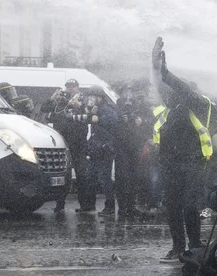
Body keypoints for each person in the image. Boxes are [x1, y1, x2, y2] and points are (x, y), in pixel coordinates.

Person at [152, 37, 217, 261]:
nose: (169, 96)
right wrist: (155, 66)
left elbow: (176, 86)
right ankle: (178, 247)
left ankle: (195, 245)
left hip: (192, 163)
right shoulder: (171, 110)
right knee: (172, 207)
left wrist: (166, 72)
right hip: (170, 164)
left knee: (190, 206)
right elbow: (161, 86)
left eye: (175, 92)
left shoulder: (199, 103)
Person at [42, 79, 96, 213]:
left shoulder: (84, 100)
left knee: (82, 174)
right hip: (62, 142)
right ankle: (60, 204)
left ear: (78, 88)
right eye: (68, 87)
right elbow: (44, 109)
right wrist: (53, 98)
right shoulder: (60, 101)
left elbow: (91, 114)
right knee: (63, 174)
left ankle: (86, 205)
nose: (70, 89)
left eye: (73, 87)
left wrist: (78, 105)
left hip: (78, 142)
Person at [114, 83, 153, 218]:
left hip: (135, 146)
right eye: (125, 92)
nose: (128, 96)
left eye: (130, 92)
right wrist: (121, 121)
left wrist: (141, 122)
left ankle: (131, 206)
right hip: (121, 147)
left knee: (133, 178)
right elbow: (111, 123)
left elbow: (150, 123)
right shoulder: (117, 106)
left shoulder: (141, 107)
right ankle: (122, 207)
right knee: (121, 178)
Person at [85, 85, 118, 216]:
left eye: (93, 96)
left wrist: (99, 119)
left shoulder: (106, 108)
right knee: (91, 177)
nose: (91, 99)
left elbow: (114, 120)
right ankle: (89, 205)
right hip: (95, 148)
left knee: (105, 179)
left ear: (99, 97)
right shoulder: (96, 109)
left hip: (104, 149)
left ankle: (109, 207)